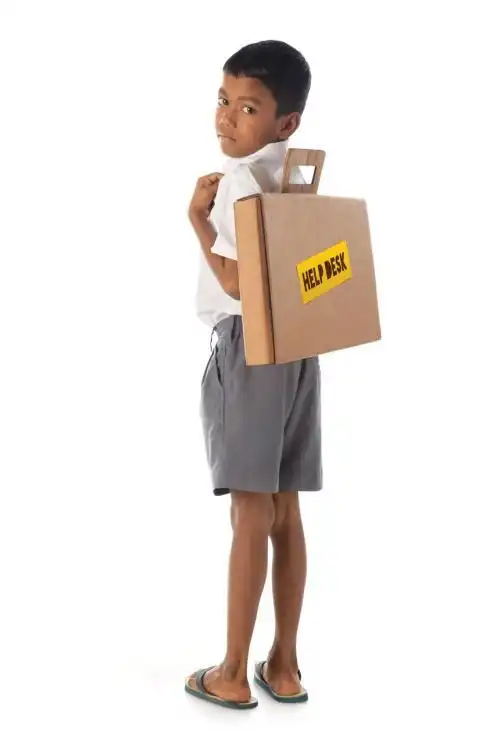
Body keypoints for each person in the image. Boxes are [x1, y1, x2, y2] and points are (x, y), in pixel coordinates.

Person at [185, 40, 322, 709]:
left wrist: (197, 224)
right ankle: (285, 665)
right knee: (285, 508)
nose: (226, 117)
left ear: (284, 121)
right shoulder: (292, 175)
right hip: (299, 345)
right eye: (223, 100)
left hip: (250, 345)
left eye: (247, 107)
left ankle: (234, 673)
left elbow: (241, 283)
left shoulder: (238, 182)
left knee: (249, 509)